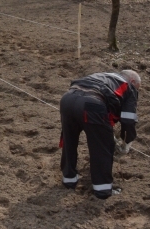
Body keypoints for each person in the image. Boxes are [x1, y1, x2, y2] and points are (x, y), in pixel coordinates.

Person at [59, 70, 141, 199]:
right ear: (132, 82)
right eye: (138, 89)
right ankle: (103, 190)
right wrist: (127, 141)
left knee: (69, 140)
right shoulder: (128, 86)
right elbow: (128, 120)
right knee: (102, 147)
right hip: (92, 105)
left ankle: (69, 179)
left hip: (67, 99)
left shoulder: (102, 76)